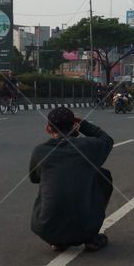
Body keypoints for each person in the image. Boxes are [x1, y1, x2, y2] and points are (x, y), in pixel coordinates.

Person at [29, 107, 113, 251]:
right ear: (75, 126)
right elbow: (107, 140)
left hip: (46, 229)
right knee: (103, 176)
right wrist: (84, 125)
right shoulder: (88, 146)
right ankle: (90, 236)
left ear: (48, 129)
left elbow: (35, 178)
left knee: (49, 181)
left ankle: (57, 240)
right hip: (85, 229)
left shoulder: (40, 151)